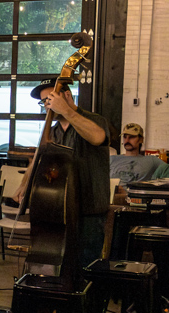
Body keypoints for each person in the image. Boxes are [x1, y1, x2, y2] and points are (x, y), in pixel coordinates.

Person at [30, 67, 111, 268]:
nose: (47, 106)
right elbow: (39, 160)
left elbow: (98, 137)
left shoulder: (94, 119)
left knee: (87, 267)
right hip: (60, 210)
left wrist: (66, 110)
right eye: (45, 102)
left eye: (51, 99)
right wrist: (25, 186)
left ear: (66, 95)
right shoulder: (53, 132)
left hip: (89, 209)